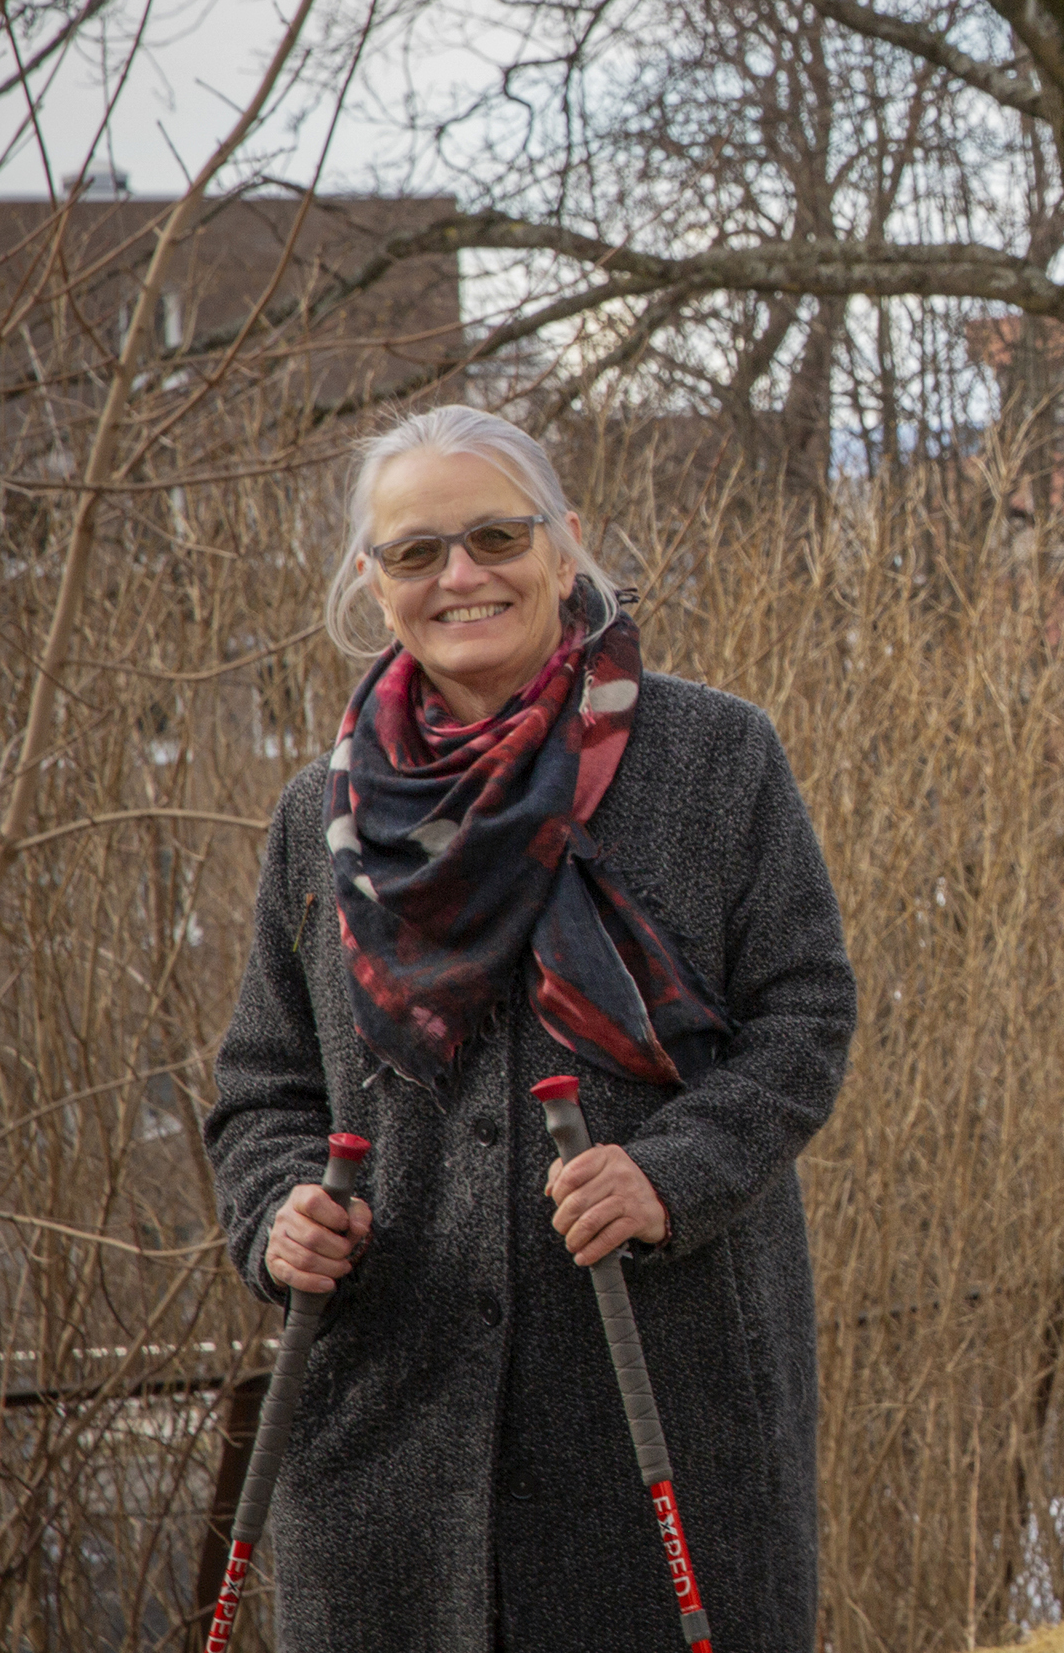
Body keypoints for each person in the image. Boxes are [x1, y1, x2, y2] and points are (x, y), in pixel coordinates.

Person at [207, 406, 857, 1653]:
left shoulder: (716, 758)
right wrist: (275, 1210)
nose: (461, 574)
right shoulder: (316, 819)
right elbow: (265, 1086)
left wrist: (673, 1173)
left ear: (566, 547)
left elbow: (805, 1015)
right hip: (383, 1432)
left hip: (665, 1398)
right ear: (372, 582)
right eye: (416, 551)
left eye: (496, 534)